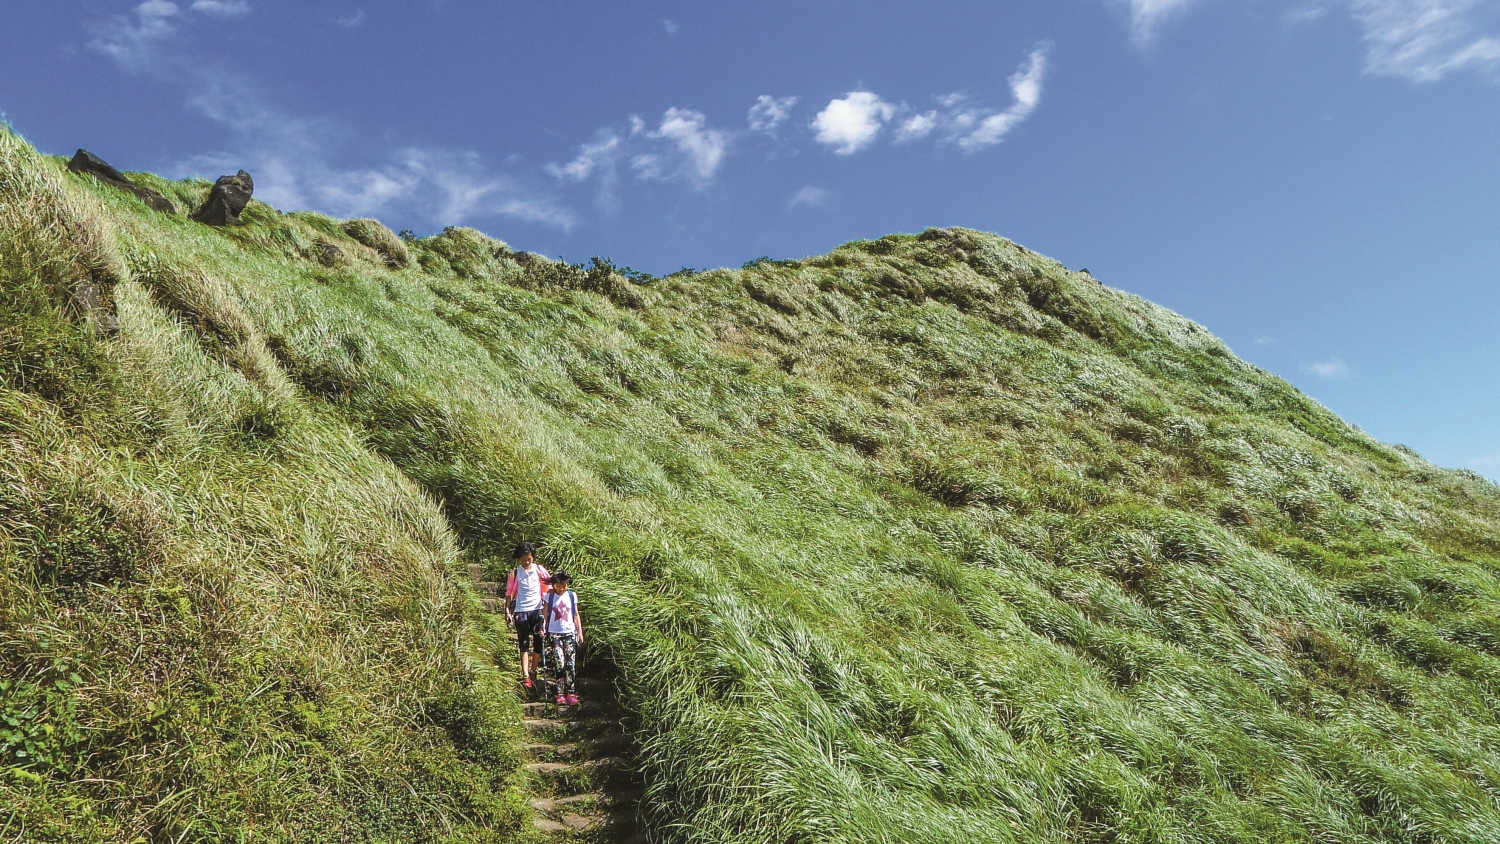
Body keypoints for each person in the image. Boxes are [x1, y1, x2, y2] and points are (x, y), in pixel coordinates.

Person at [505, 541, 550, 690]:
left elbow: (550, 586)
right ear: (519, 558)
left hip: (537, 609)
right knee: (523, 643)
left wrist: (548, 608)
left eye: (529, 558)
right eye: (524, 559)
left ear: (533, 557)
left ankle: (533, 670)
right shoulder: (515, 573)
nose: (527, 561)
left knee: (538, 641)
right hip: (521, 610)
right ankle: (525, 675)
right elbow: (509, 593)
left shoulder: (539, 570)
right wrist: (507, 610)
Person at [543, 571, 584, 706]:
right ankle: (560, 693)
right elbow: (545, 614)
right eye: (559, 586)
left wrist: (580, 632)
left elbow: (576, 614)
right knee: (559, 661)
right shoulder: (549, 596)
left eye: (564, 585)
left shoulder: (572, 595)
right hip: (555, 633)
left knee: (570, 663)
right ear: (554, 585)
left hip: (569, 633)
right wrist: (543, 627)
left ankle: (571, 691)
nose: (562, 588)